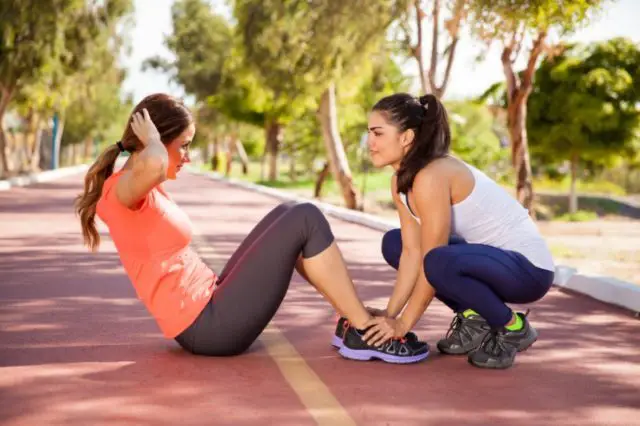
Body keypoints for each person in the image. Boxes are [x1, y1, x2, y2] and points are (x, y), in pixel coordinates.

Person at [73, 93, 428, 363]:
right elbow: (153, 162)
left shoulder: (139, 185)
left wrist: (155, 143)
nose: (188, 157)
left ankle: (352, 321)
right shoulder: (122, 190)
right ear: (158, 142)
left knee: (288, 212)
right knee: (306, 217)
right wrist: (150, 140)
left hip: (212, 304)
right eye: (184, 146)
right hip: (209, 328)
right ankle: (366, 329)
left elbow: (153, 163)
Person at [361, 92, 555, 369]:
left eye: (378, 133)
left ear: (406, 137)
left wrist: (403, 324)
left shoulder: (432, 175)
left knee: (437, 260)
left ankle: (513, 328)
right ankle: (474, 316)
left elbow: (431, 260)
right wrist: (389, 315)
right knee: (395, 243)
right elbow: (411, 252)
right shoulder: (400, 182)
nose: (370, 143)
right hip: (485, 261)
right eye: (369, 133)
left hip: (528, 270)